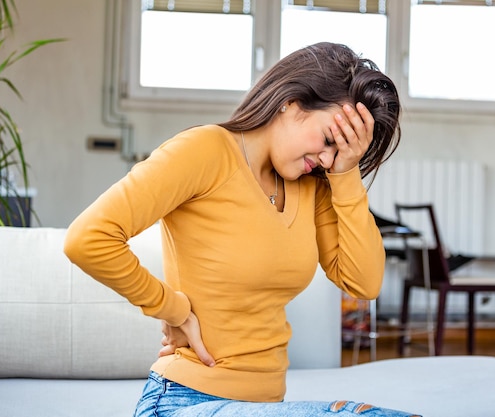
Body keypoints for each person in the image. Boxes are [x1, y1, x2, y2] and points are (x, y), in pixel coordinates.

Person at [64, 42, 418, 417]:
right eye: (330, 140)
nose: (328, 158)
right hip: (183, 401)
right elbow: (88, 237)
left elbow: (363, 283)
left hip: (264, 406)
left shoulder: (313, 184)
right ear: (291, 103)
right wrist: (172, 309)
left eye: (342, 151)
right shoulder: (206, 150)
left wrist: (346, 174)